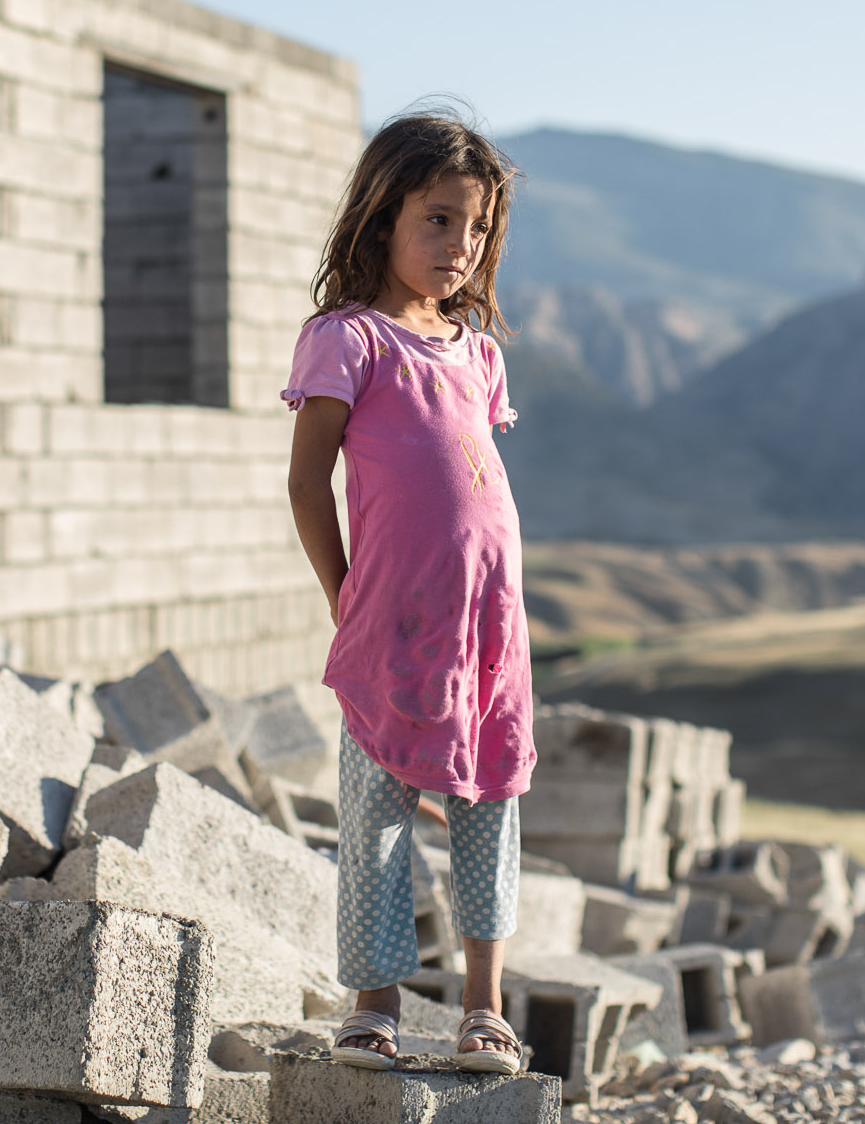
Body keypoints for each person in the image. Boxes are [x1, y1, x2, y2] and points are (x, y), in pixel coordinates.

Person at [283, 108, 535, 1073]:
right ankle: (374, 1007)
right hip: (390, 619)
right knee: (377, 816)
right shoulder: (350, 340)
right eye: (437, 220)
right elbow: (309, 482)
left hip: (488, 630)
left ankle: (483, 1009)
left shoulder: (477, 353)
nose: (458, 247)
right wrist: (346, 598)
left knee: (489, 805)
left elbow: (474, 488)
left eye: (476, 229)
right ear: (383, 215)